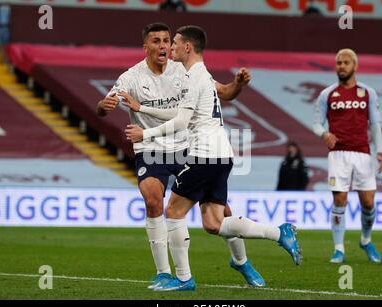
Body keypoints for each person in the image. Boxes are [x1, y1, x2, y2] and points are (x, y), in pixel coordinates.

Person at [125, 25, 301, 291]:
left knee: (173, 212)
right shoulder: (199, 75)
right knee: (213, 223)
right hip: (222, 154)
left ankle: (183, 279)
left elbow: (182, 120)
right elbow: (179, 112)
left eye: (174, 43)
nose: (170, 47)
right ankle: (279, 233)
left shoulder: (195, 77)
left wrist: (145, 132)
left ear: (187, 47)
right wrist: (142, 108)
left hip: (203, 155)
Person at [97, 23, 264, 290]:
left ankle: (241, 261)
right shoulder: (131, 77)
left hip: (186, 147)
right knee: (153, 200)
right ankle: (164, 273)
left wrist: (238, 84)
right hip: (151, 149)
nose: (163, 45)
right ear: (146, 47)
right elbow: (105, 105)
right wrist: (104, 107)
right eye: (156, 41)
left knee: (221, 212)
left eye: (166, 40)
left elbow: (224, 93)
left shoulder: (184, 70)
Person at [313, 48, 382, 264]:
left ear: (355, 66)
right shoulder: (328, 94)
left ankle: (365, 239)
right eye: (338, 63)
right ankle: (339, 248)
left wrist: (379, 152)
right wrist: (324, 133)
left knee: (368, 202)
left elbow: (375, 124)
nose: (341, 66)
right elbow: (316, 123)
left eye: (345, 63)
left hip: (363, 152)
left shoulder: (368, 93)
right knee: (340, 199)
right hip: (338, 154)